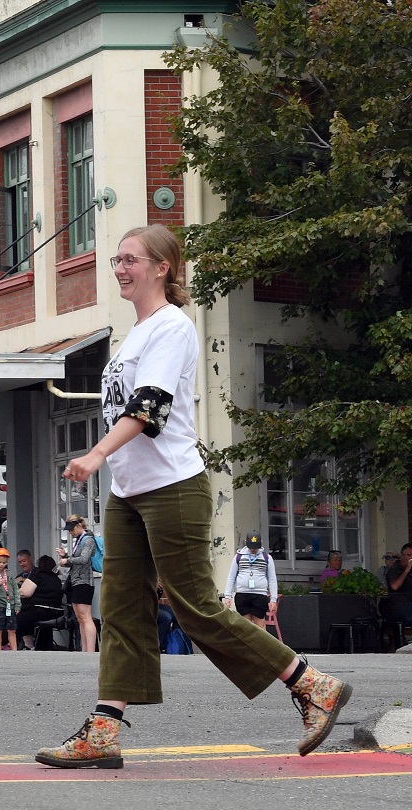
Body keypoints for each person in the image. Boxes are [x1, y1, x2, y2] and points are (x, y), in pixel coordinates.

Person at [36, 225, 351, 769]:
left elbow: (151, 407)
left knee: (197, 609)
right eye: (116, 259)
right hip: (131, 492)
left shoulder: (172, 327)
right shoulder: (131, 335)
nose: (119, 268)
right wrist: (110, 467)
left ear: (162, 267)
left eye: (130, 259)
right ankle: (104, 730)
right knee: (122, 609)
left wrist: (94, 456)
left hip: (173, 488)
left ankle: (311, 682)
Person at [58, 515, 99, 652]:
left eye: (71, 529)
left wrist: (68, 560)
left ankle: (91, 649)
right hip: (76, 581)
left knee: (85, 616)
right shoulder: (79, 540)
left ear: (78, 526)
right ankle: (84, 648)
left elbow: (84, 559)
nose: (70, 533)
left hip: (84, 581)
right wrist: (65, 556)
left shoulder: (88, 539)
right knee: (80, 617)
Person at [223, 532, 278, 627]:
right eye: (251, 546)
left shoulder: (267, 558)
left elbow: (272, 579)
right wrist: (228, 596)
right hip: (242, 593)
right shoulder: (238, 557)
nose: (253, 549)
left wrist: (273, 599)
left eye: (255, 547)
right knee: (245, 625)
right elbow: (231, 576)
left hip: (260, 594)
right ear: (246, 543)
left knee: (259, 624)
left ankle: (261, 642)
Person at [15, 554, 65, 650]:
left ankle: (28, 645)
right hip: (55, 613)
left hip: (38, 611)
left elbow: (25, 592)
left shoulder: (37, 575)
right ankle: (32, 645)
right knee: (26, 618)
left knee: (18, 619)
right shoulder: (57, 580)